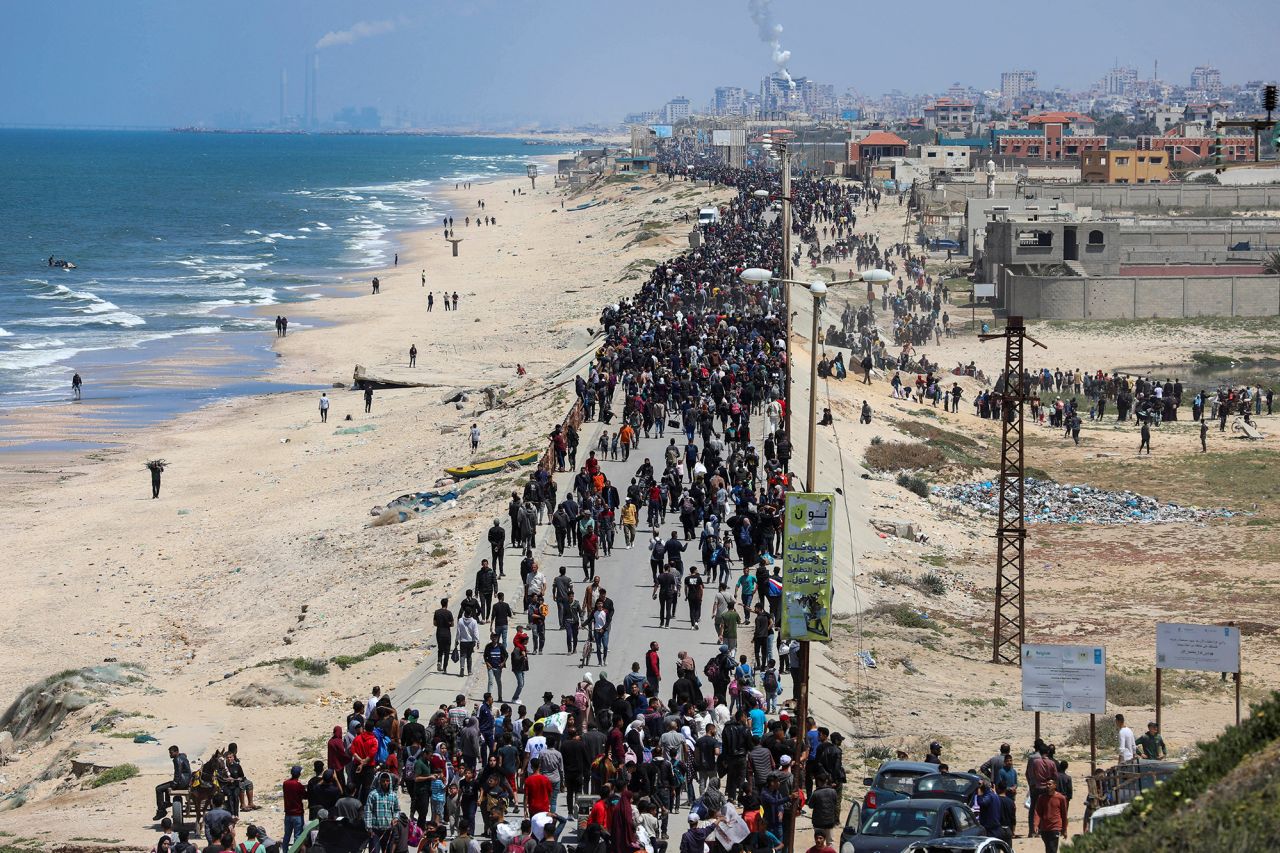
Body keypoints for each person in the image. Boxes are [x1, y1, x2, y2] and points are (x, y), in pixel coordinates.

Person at [154, 745, 193, 820]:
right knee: (166, 786)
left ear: (176, 752)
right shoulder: (182, 757)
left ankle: (161, 811)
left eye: (171, 753)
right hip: (187, 781)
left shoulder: (177, 759)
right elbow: (184, 755)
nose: (170, 755)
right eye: (169, 753)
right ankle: (167, 802)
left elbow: (178, 773)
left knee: (158, 788)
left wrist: (174, 784)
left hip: (181, 782)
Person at [1033, 777, 1067, 853]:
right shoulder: (1041, 798)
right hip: (1044, 828)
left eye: (1050, 784)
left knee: (1052, 849)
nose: (1048, 786)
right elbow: (1038, 812)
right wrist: (1036, 824)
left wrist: (1064, 829)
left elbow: (1064, 814)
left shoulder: (1061, 798)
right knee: (1048, 849)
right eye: (1046, 784)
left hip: (1055, 827)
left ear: (1055, 785)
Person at [281, 765, 307, 850]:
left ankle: (285, 850)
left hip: (288, 813)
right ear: (299, 774)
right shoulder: (298, 785)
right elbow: (305, 795)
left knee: (287, 835)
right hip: (297, 814)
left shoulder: (285, 783)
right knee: (297, 836)